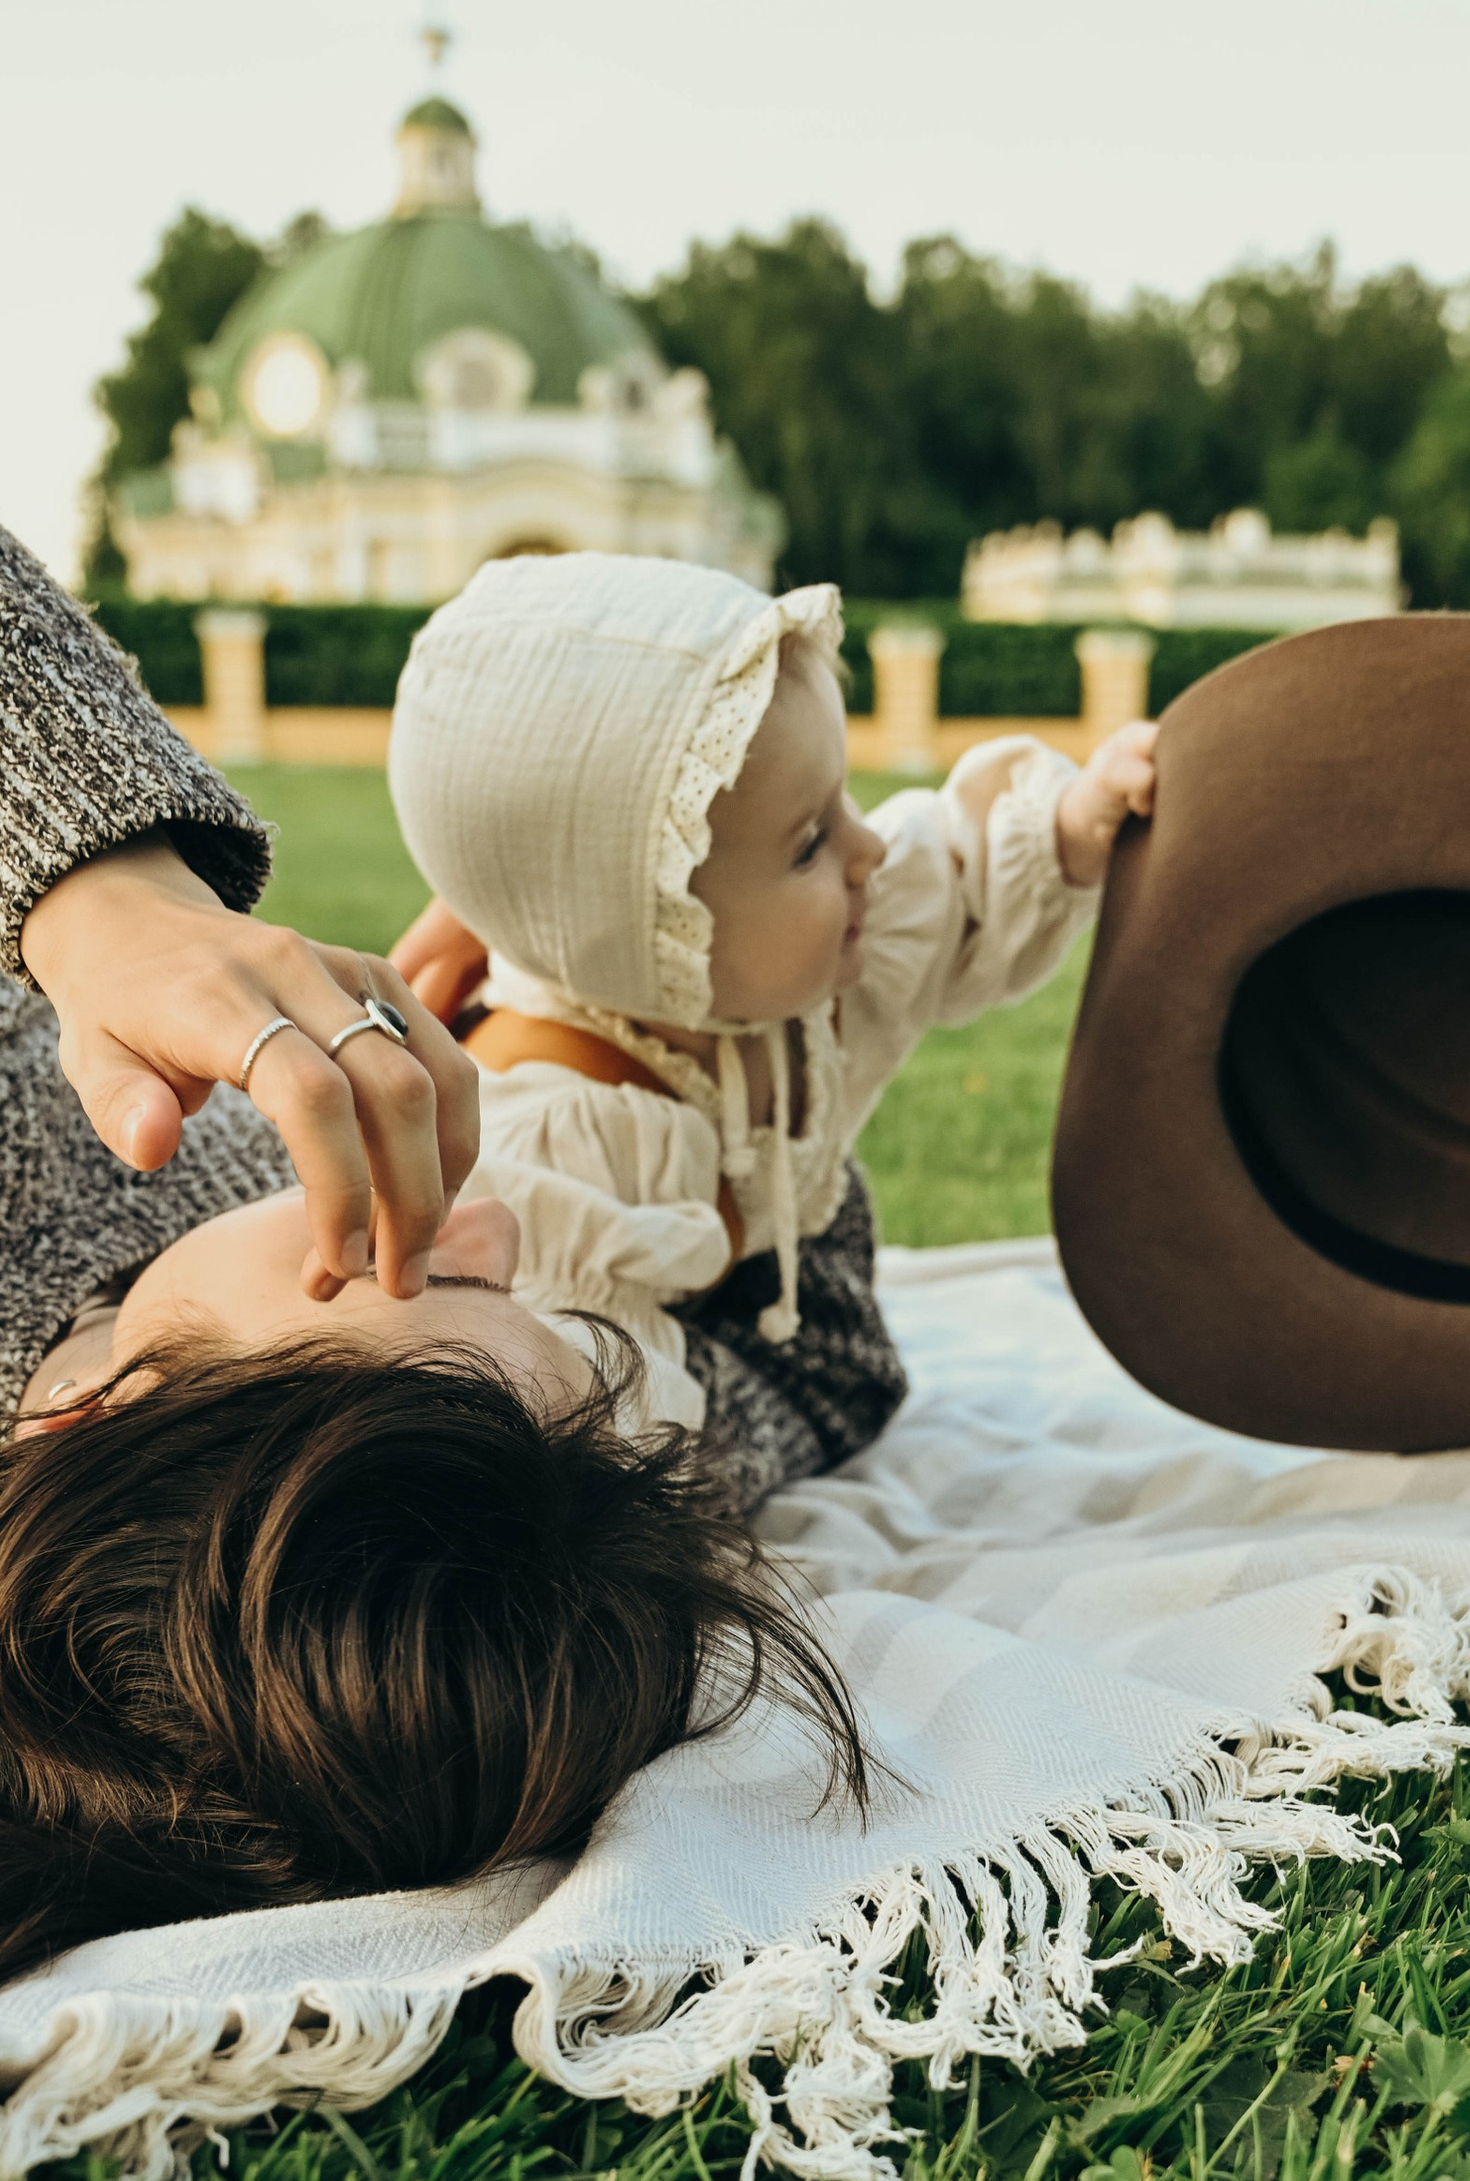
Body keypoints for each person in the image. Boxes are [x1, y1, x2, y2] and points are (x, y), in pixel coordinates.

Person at [0, 316, 858, 2033]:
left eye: (429, 1268)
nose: (494, 1209)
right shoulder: (472, 1544)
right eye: (547, 1313)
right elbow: (814, 1354)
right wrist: (632, 1055)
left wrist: (100, 900)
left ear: (91, 1403)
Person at [384, 553, 1158, 1507]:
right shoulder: (544, 1134)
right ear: (650, 933)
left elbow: (956, 878)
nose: (867, 848)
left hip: (801, 1278)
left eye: (843, 804)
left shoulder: (788, 956)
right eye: (809, 841)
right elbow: (561, 1382)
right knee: (646, 1469)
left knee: (835, 1347)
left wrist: (1078, 825)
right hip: (648, 1356)